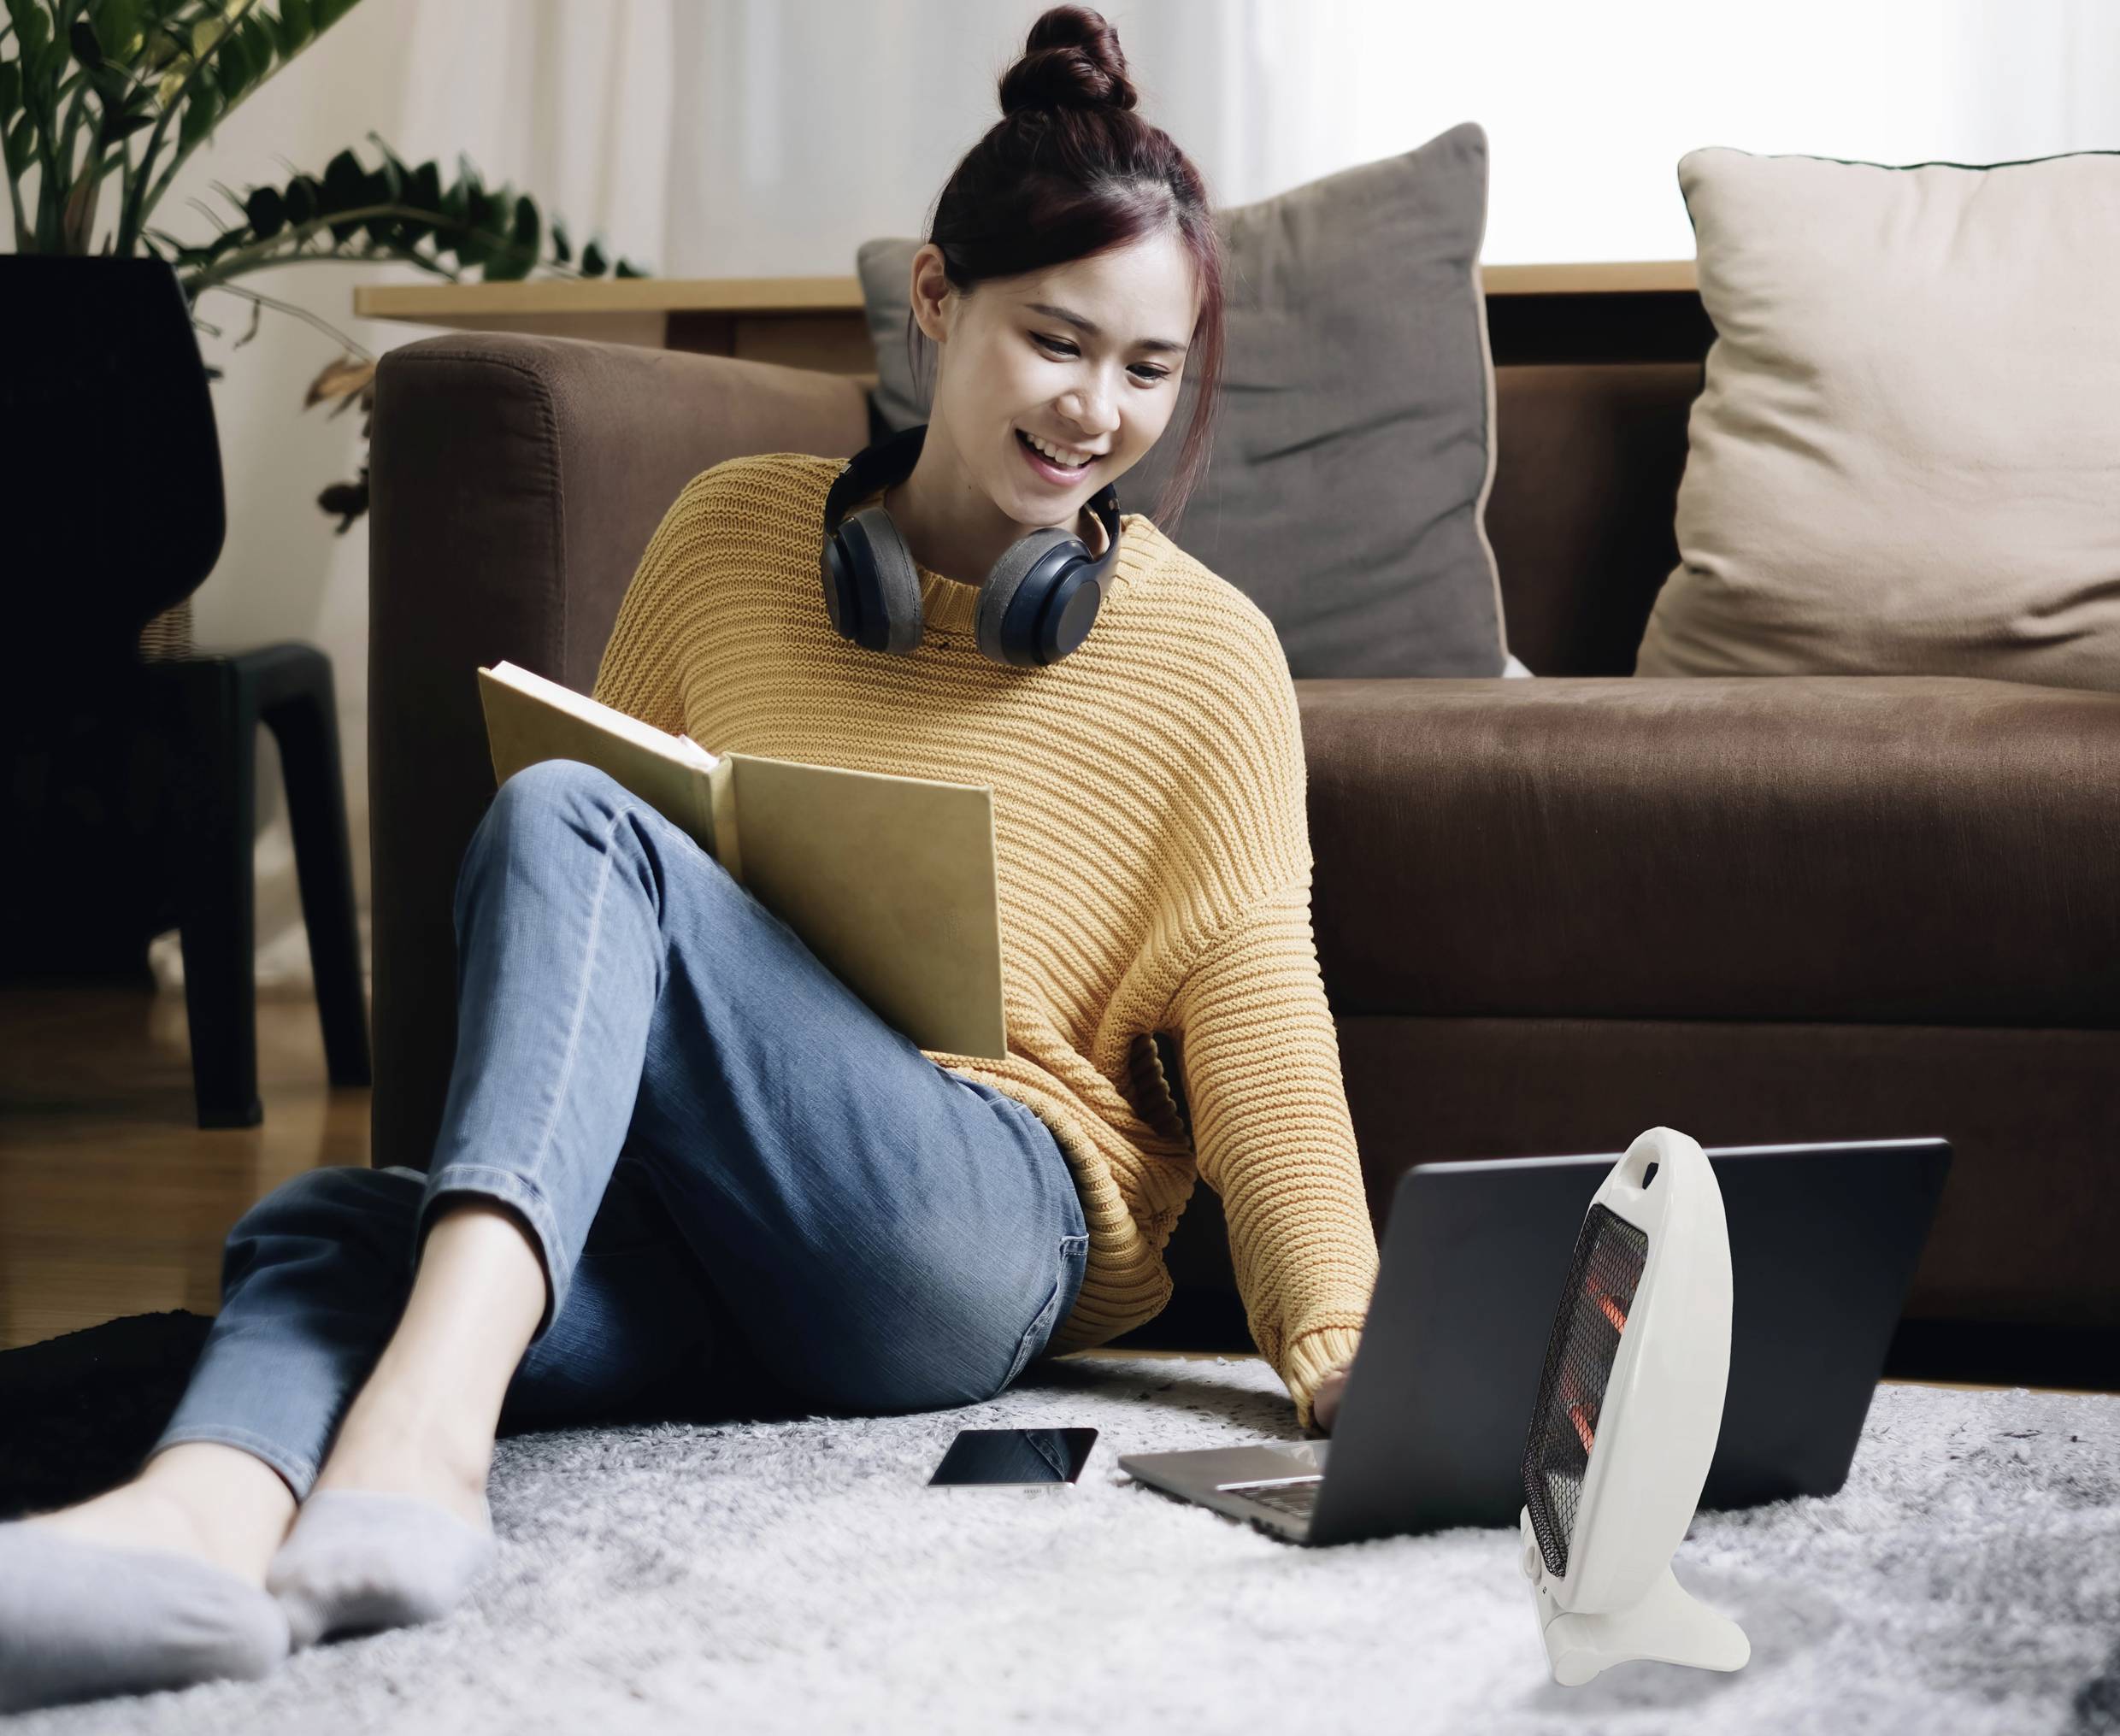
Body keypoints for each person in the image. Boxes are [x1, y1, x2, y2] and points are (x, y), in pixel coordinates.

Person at [0, 4, 1378, 1714]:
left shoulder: (1206, 651)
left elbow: (1257, 1007)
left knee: (574, 826)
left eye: (1148, 370)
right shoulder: (732, 537)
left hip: (970, 1230)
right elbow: (603, 911)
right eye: (1055, 340)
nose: (1098, 410)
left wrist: (1338, 1337)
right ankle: (188, 1532)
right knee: (328, 1225)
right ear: (937, 303)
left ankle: (425, 1444)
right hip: (720, 1231)